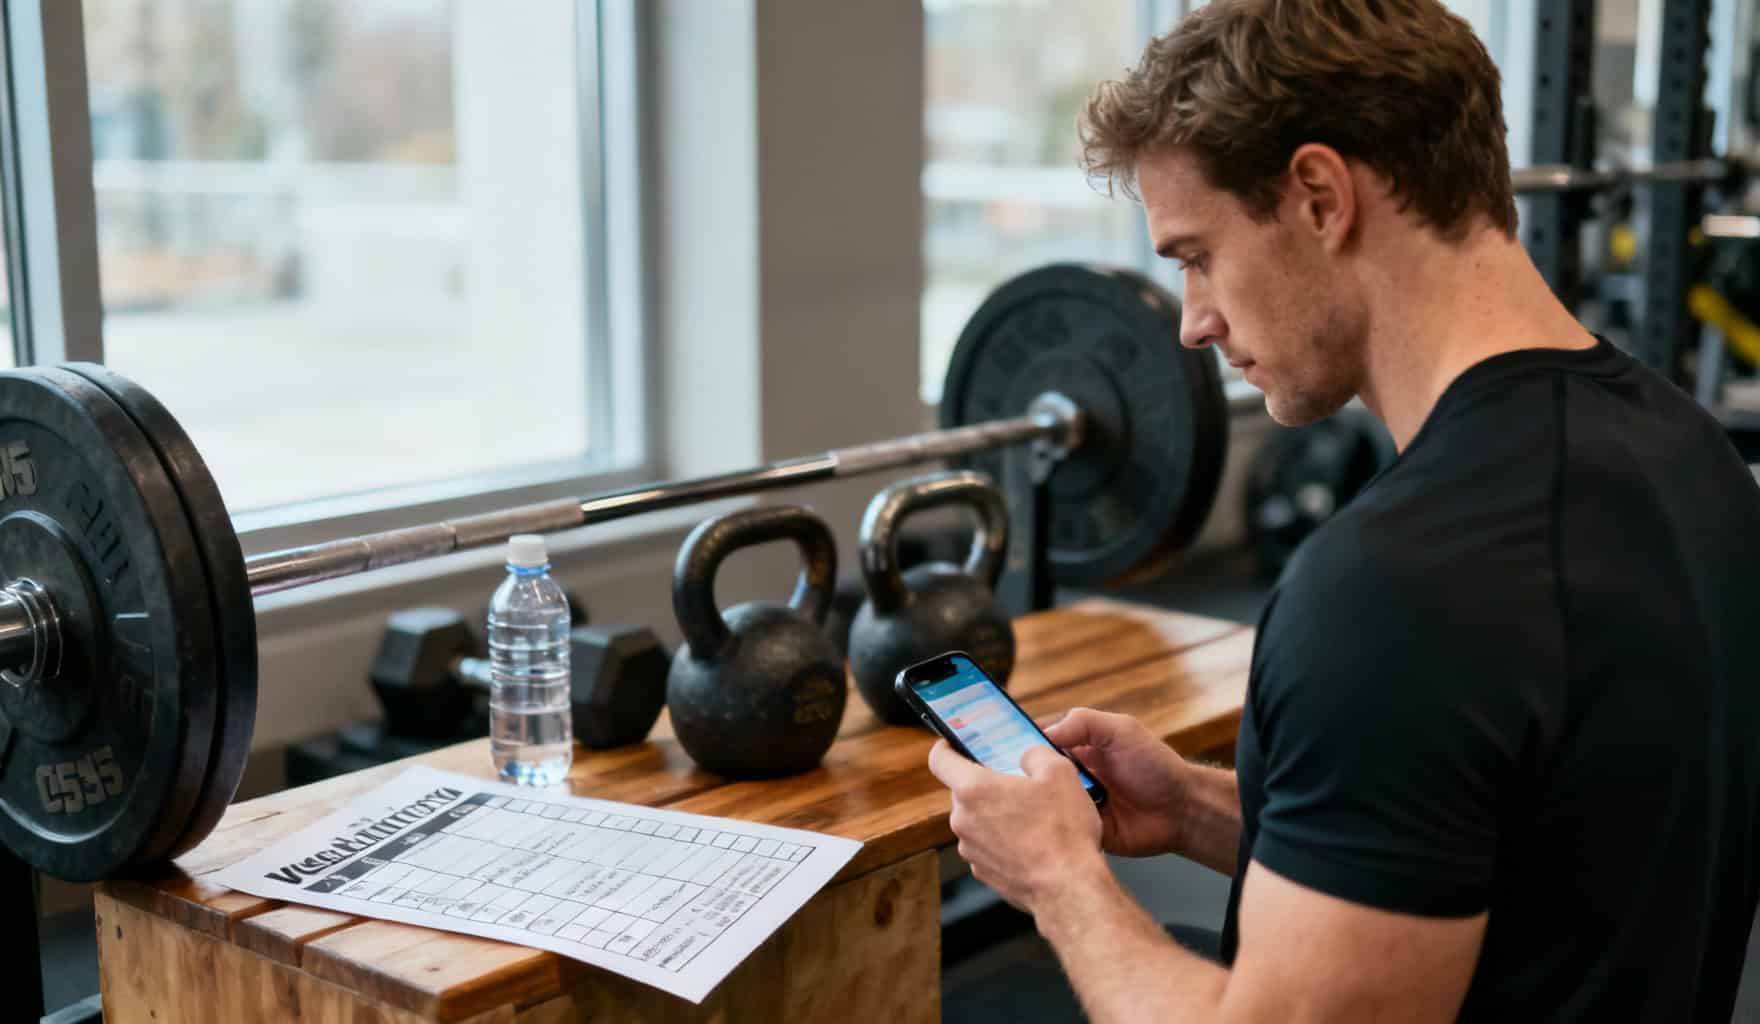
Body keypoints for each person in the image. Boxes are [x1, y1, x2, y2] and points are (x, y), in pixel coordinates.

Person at [926, 1, 1760, 1020]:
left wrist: (1059, 879)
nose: (1190, 322)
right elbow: (1508, 854)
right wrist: (1189, 805)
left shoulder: (1396, 589)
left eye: (1194, 255)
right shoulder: (1687, 453)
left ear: (1319, 196)